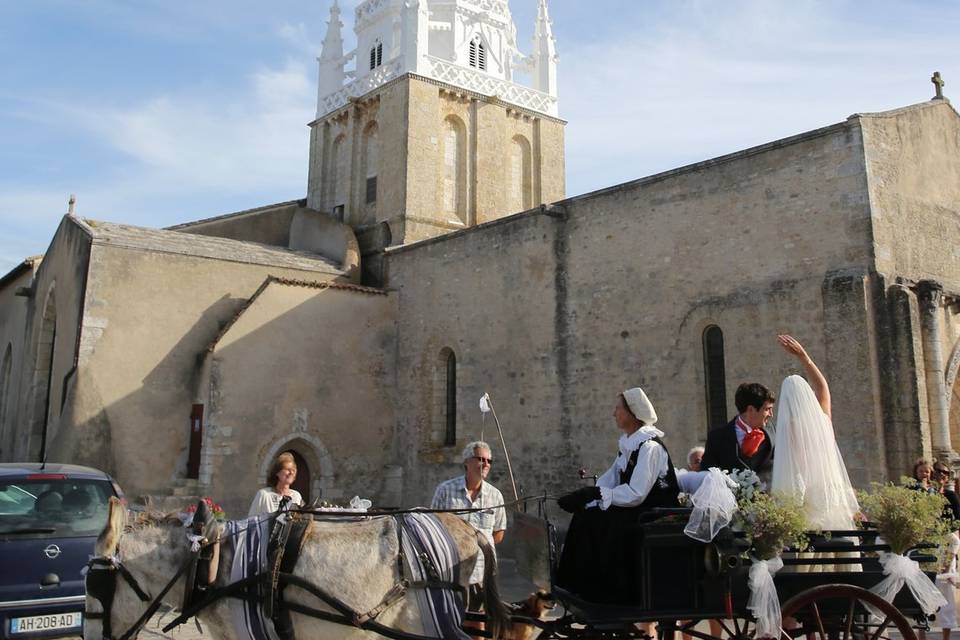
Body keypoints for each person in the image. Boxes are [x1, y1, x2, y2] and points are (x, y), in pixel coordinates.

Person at [555, 387, 680, 604]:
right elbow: (611, 478)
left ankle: (606, 591)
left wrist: (595, 494)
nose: (614, 414)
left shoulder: (649, 447)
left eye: (618, 409)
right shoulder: (629, 444)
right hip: (636, 510)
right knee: (586, 516)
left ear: (632, 413)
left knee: (601, 523)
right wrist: (586, 499)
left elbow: (636, 493)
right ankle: (576, 584)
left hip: (652, 514)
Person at [771, 334, 860, 572]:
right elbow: (823, 387)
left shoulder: (790, 429)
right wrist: (804, 357)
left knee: (809, 562)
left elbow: (796, 469)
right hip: (831, 495)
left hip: (809, 500)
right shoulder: (823, 419)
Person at [431, 441, 507, 617]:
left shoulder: (495, 495)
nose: (486, 464)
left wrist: (477, 547)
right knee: (449, 618)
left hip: (482, 572)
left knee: (478, 622)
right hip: (450, 571)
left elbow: (499, 533)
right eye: (480, 459)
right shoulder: (445, 490)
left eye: (489, 461)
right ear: (466, 462)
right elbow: (432, 526)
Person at [700, 382, 776, 478]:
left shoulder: (773, 432)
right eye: (767, 409)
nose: (771, 414)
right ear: (751, 410)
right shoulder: (716, 438)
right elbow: (707, 474)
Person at [248, 451, 304, 517]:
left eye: (293, 470)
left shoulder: (296, 496)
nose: (291, 473)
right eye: (288, 469)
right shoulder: (264, 495)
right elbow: (251, 521)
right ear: (277, 472)